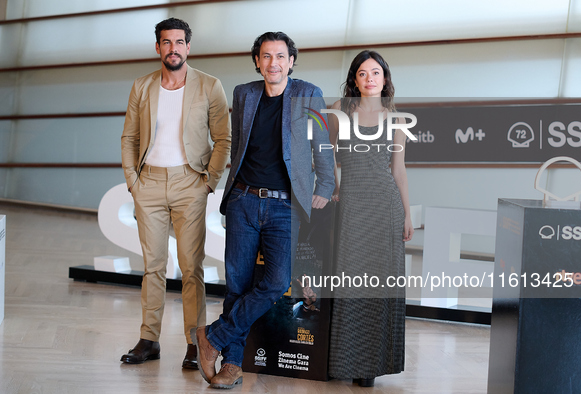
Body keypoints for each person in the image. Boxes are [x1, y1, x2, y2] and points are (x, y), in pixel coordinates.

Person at [191, 32, 335, 389]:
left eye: (280, 56)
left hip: (284, 205)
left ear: (291, 61)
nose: (273, 63)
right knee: (237, 285)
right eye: (266, 56)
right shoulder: (244, 94)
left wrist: (326, 185)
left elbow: (322, 142)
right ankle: (232, 364)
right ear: (257, 61)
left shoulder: (309, 94)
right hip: (243, 199)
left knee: (276, 282)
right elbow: (238, 143)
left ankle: (212, 336)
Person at [120, 17, 231, 368]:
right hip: (148, 183)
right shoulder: (142, 86)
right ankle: (148, 339)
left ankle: (195, 343)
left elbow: (223, 139)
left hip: (190, 184)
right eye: (166, 42)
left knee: (190, 267)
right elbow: (129, 138)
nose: (173, 48)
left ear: (188, 46)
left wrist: (208, 181)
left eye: (179, 42)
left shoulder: (210, 86)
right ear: (158, 47)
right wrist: (133, 182)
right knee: (152, 266)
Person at [327, 50, 414, 387]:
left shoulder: (398, 119)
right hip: (350, 208)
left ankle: (370, 365)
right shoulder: (338, 111)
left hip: (385, 208)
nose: (369, 79)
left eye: (375, 73)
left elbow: (399, 171)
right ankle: (342, 360)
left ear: (385, 79)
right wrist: (333, 187)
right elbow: (326, 156)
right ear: (354, 80)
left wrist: (407, 214)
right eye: (362, 73)